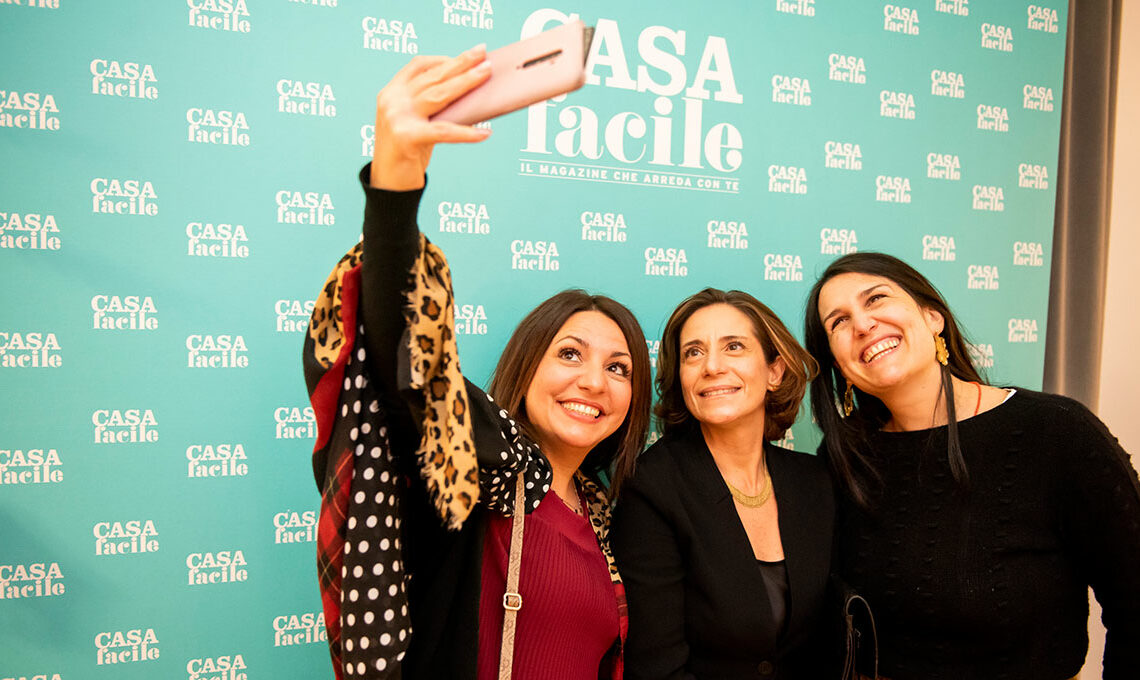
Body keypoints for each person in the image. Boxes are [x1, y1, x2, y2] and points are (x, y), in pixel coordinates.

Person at [303, 46, 652, 680]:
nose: (593, 382)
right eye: (569, 354)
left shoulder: (606, 515)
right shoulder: (478, 476)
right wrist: (396, 177)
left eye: (619, 368)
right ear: (526, 366)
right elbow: (405, 365)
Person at [804, 251, 1140, 680]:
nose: (863, 324)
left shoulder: (1056, 431)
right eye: (839, 322)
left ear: (933, 318)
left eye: (876, 299)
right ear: (838, 365)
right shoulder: (844, 460)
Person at [611, 288, 835, 679]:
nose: (711, 366)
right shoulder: (652, 485)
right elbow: (656, 666)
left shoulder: (814, 481)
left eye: (734, 347)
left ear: (775, 371)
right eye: (693, 353)